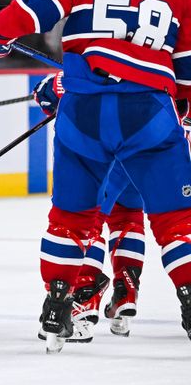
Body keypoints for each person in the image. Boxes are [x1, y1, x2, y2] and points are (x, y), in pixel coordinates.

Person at [0, 0, 191, 352]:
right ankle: (187, 297)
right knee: (175, 220)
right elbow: (187, 72)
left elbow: (28, 14)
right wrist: (182, 113)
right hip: (148, 111)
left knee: (71, 217)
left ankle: (57, 304)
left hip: (84, 110)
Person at [33, 72, 147, 342]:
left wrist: (56, 88)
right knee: (128, 216)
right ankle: (126, 292)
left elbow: (44, 92)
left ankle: (83, 302)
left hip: (107, 154)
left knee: (88, 218)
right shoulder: (156, 64)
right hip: (149, 151)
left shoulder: (84, 64)